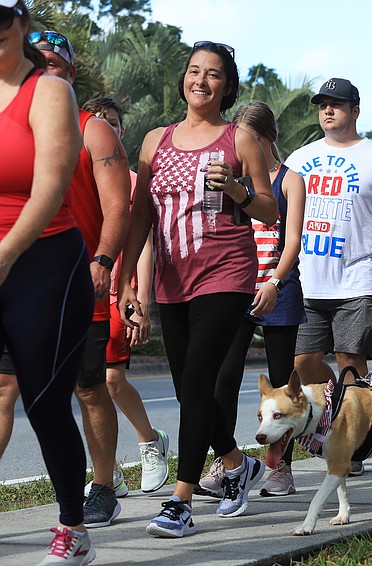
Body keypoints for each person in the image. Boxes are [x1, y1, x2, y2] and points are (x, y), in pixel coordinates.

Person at [117, 41, 278, 538]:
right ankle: (236, 463)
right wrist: (127, 281)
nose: (201, 81)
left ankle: (180, 502)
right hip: (172, 280)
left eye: (213, 74)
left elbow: (270, 210)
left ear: (227, 86)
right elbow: (140, 216)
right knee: (191, 390)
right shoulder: (155, 141)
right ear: (183, 79)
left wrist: (237, 190)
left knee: (195, 384)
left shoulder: (240, 139)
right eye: (193, 71)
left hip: (226, 273)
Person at [27, 30, 135, 530]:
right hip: (22, 282)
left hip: (79, 279)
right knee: (7, 388)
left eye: (54, 62)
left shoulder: (94, 130)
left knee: (89, 388)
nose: (43, 68)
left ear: (70, 72)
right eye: (35, 60)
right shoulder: (12, 126)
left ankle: (104, 488)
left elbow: (118, 207)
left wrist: (104, 261)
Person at [0, 2, 94, 562]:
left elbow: (51, 187)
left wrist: (5, 256)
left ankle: (73, 529)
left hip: (43, 265)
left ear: (21, 23)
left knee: (44, 404)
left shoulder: (49, 91)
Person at [285, 77, 372, 476]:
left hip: (358, 278)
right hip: (308, 280)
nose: (328, 111)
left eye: (336, 104)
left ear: (355, 111)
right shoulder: (300, 159)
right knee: (303, 362)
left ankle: (355, 444)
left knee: (351, 362)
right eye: (323, 105)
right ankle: (339, 408)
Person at [196, 101, 307, 498]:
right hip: (238, 287)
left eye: (254, 139)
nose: (247, 146)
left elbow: (292, 240)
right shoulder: (234, 180)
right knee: (223, 378)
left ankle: (281, 467)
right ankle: (226, 461)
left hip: (278, 287)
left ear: (269, 138)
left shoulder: (290, 180)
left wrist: (275, 282)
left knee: (282, 383)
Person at [80, 95, 168, 496]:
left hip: (118, 290)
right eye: (98, 121)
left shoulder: (132, 181)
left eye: (113, 122)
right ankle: (108, 471)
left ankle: (150, 441)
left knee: (112, 380)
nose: (106, 128)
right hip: (83, 291)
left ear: (122, 129)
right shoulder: (73, 172)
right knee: (86, 385)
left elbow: (144, 242)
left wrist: (140, 297)